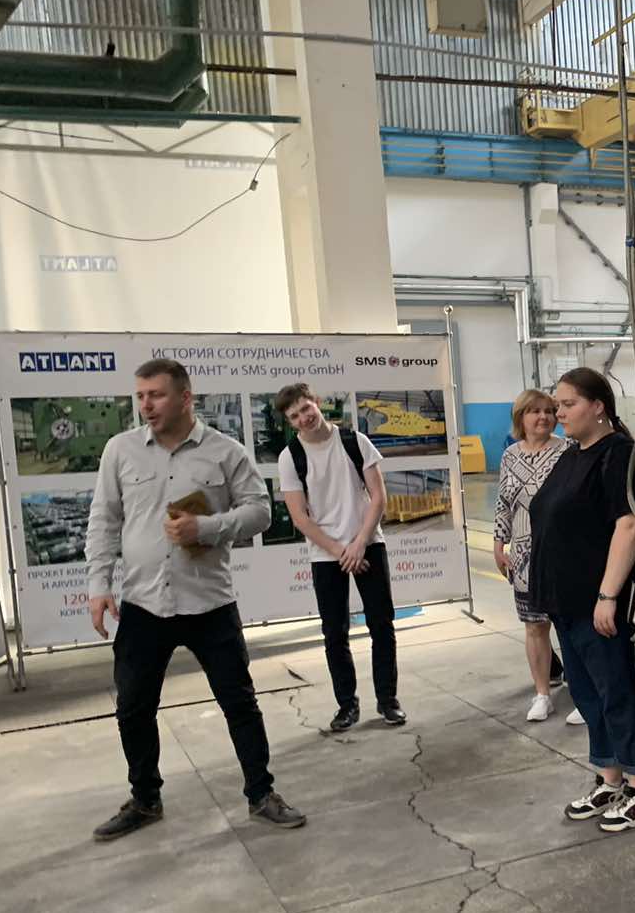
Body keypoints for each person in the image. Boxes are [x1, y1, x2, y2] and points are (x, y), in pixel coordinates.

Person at [87, 358, 306, 840]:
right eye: (140, 396)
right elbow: (103, 521)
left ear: (185, 397)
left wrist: (207, 528)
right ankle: (145, 800)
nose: (146, 405)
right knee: (133, 709)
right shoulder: (120, 451)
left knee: (239, 703)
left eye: (156, 395)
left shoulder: (225, 452)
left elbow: (260, 512)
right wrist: (99, 585)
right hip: (144, 604)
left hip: (209, 603)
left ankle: (261, 794)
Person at [529, 367, 635, 832]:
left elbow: (630, 525)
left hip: (599, 602)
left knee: (617, 692)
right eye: (557, 405)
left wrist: (608, 595)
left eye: (568, 405)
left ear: (598, 406)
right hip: (566, 602)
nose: (558, 413)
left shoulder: (621, 456)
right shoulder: (572, 455)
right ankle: (610, 777)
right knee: (588, 695)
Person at [276, 383, 404, 733]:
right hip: (325, 554)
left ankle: (388, 700)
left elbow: (378, 497)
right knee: (335, 633)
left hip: (368, 543)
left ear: (317, 402)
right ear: (289, 422)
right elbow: (300, 517)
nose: (304, 418)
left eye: (306, 408)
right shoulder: (290, 457)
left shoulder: (354, 441)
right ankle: (347, 705)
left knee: (382, 625)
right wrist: (339, 551)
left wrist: (359, 543)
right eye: (294, 416)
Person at [493, 388, 572, 723]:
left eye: (548, 411)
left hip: (563, 552)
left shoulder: (567, 451)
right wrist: (499, 543)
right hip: (524, 555)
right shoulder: (509, 456)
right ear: (520, 417)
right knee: (534, 626)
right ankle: (542, 695)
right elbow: (503, 503)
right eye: (534, 411)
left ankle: (581, 693)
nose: (543, 417)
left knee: (569, 626)